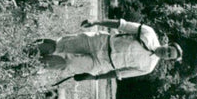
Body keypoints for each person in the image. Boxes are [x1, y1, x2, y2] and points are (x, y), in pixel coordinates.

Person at [36, 18, 182, 82]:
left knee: (68, 64)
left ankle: (32, 64)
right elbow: (121, 25)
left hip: (102, 63)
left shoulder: (148, 67)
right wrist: (96, 22)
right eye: (169, 49)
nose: (166, 53)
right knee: (61, 45)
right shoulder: (148, 32)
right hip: (100, 42)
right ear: (167, 44)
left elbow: (119, 73)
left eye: (169, 56)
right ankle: (30, 50)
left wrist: (94, 77)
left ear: (167, 60)